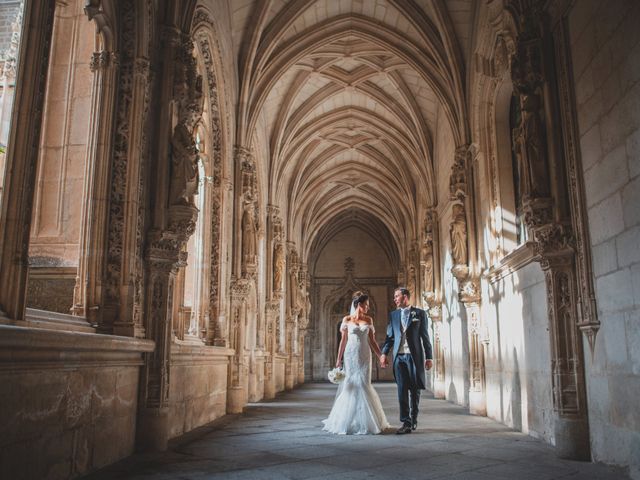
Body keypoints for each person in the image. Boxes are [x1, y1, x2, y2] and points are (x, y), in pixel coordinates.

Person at [322, 292, 389, 435]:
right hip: (350, 355)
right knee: (350, 385)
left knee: (364, 384)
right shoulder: (346, 320)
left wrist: (381, 356)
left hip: (365, 355)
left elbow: (372, 341)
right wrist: (338, 359)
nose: (368, 308)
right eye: (366, 305)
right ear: (359, 305)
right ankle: (347, 421)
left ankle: (369, 421)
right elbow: (343, 341)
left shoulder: (369, 320)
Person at [380, 287, 433, 434]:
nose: (395, 299)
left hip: (414, 356)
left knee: (414, 389)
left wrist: (429, 357)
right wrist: (384, 353)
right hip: (399, 357)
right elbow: (390, 337)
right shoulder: (394, 315)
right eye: (394, 296)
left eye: (397, 296)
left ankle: (414, 418)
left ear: (405, 297)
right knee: (401, 389)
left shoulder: (420, 314)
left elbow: (425, 337)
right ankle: (405, 422)